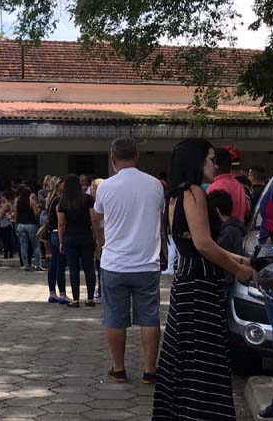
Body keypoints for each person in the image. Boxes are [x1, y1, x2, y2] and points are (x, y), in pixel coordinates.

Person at [152, 139, 255, 420]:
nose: (215, 164)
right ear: (196, 162)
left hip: (187, 283)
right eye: (210, 159)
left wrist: (237, 259)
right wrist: (237, 270)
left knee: (185, 359)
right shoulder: (194, 193)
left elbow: (199, 244)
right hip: (200, 286)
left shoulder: (176, 195)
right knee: (203, 361)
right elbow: (203, 245)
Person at [93, 137, 165, 384]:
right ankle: (149, 370)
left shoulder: (105, 187)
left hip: (114, 263)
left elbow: (98, 215)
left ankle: (119, 368)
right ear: (138, 156)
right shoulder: (156, 185)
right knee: (149, 317)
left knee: (114, 317)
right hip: (147, 262)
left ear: (113, 160)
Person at [58, 174, 97, 308]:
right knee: (89, 268)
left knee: (73, 268)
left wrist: (61, 241)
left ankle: (75, 299)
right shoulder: (87, 199)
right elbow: (93, 219)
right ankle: (90, 297)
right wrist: (95, 235)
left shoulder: (63, 202)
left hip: (70, 237)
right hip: (86, 235)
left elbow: (61, 224)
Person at [206, 147, 250, 222]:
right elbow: (247, 210)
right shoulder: (239, 185)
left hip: (222, 232)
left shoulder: (215, 187)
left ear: (215, 164)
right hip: (239, 231)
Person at [46, 177, 69, 304]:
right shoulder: (59, 200)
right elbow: (61, 221)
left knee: (54, 265)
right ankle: (62, 294)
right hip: (58, 234)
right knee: (60, 265)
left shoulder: (50, 200)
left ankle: (52, 293)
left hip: (52, 233)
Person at [15, 187, 43, 272]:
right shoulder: (31, 201)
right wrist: (37, 208)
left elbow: (16, 214)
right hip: (31, 224)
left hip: (21, 225)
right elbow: (36, 213)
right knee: (35, 245)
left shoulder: (17, 202)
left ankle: (26, 265)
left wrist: (17, 225)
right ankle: (38, 265)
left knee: (23, 246)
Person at [90, 178, 104, 303]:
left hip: (102, 236)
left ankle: (101, 291)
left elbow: (95, 221)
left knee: (100, 264)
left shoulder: (96, 204)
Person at [0, 191, 14, 259]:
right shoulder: (10, 204)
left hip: (4, 224)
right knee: (8, 239)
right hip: (8, 223)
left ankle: (6, 254)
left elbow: (1, 215)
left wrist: (1, 209)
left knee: (5, 240)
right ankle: (11, 253)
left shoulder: (5, 205)